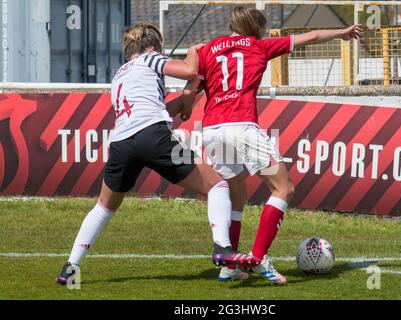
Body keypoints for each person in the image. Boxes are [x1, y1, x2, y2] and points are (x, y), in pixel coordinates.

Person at [56, 23, 261, 285]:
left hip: (122, 144)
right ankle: (222, 247)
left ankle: (70, 269)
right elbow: (189, 69)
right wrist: (196, 52)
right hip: (153, 138)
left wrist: (187, 99)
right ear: (153, 46)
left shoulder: (119, 74)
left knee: (104, 207)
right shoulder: (151, 57)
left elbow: (154, 110)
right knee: (217, 184)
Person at [181, 7, 362, 284]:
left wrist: (182, 109)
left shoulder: (207, 50)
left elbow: (190, 88)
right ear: (254, 27)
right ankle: (257, 257)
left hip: (212, 130)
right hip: (242, 126)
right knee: (283, 188)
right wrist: (343, 33)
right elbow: (311, 36)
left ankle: (229, 267)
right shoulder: (259, 46)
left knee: (236, 196)